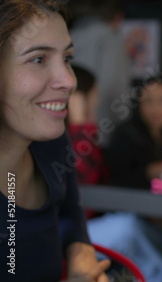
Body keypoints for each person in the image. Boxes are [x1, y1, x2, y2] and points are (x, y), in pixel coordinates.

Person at [0, 1, 109, 281]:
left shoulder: (52, 145)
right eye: (39, 59)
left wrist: (79, 251)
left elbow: (70, 212)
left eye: (67, 58)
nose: (69, 81)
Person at [104, 77, 162, 189]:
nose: (156, 108)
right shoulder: (124, 135)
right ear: (138, 104)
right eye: (149, 101)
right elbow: (115, 180)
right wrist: (147, 173)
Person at [69, 0, 130, 148]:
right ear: (118, 18)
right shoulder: (109, 38)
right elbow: (115, 88)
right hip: (99, 131)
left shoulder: (68, 34)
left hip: (67, 127)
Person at [67, 64, 108, 186]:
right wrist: (80, 126)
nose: (97, 102)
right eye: (94, 94)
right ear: (77, 98)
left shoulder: (87, 134)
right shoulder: (54, 136)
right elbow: (85, 180)